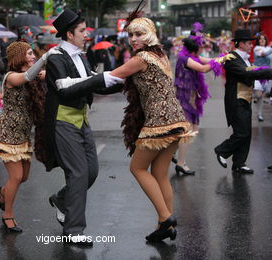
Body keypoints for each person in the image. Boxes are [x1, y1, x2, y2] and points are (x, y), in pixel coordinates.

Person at [106, 4, 197, 242]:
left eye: (139, 34)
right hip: (177, 120)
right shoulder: (161, 54)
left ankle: (166, 218)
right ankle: (163, 226)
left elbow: (111, 76)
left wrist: (72, 83)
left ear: (150, 35)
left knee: (136, 168)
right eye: (131, 35)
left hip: (159, 123)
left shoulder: (142, 58)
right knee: (159, 173)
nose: (134, 39)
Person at [44, 9, 123, 246]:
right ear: (69, 34)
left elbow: (92, 82)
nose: (86, 35)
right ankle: (74, 229)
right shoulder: (56, 57)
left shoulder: (81, 55)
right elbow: (66, 89)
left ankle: (61, 199)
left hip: (81, 118)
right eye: (82, 31)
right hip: (62, 121)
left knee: (91, 171)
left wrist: (123, 82)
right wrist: (101, 78)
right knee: (78, 173)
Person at [0, 41, 61, 233]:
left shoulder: (35, 74)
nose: (32, 56)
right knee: (17, 175)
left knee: (24, 177)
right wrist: (46, 57)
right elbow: (27, 76)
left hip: (23, 133)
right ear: (19, 57)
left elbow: (52, 76)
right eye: (29, 54)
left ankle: (4, 193)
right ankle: (8, 216)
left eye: (33, 54)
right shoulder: (11, 77)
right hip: (7, 132)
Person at [214, 29, 272, 174]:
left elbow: (251, 71)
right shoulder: (231, 58)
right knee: (241, 133)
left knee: (247, 133)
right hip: (236, 101)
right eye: (248, 43)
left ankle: (239, 163)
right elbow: (247, 73)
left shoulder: (245, 58)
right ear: (240, 44)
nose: (252, 45)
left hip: (245, 99)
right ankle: (222, 150)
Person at [173, 30, 230, 175]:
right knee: (187, 130)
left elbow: (209, 61)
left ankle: (173, 153)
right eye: (200, 48)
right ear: (194, 49)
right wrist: (221, 61)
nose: (202, 50)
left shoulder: (193, 56)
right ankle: (180, 162)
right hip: (184, 97)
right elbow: (204, 68)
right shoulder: (184, 58)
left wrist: (225, 57)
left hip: (192, 97)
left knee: (194, 129)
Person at [253, 34, 272, 122]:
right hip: (258, 73)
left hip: (268, 74)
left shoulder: (269, 49)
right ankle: (259, 113)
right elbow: (263, 54)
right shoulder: (256, 48)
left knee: (266, 94)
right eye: (260, 39)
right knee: (258, 95)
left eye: (264, 39)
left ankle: (260, 113)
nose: (262, 40)